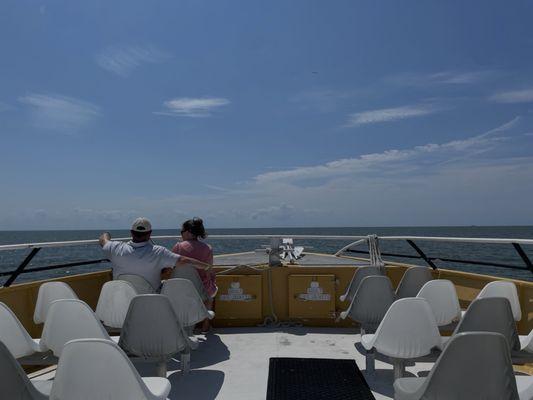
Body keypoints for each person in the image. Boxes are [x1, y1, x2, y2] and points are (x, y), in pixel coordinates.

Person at [99, 217, 211, 292]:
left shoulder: (115, 248)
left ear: (131, 232)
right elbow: (184, 260)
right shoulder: (159, 252)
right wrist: (206, 266)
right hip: (150, 299)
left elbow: (103, 241)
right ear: (150, 234)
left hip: (122, 299)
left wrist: (106, 234)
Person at [172, 217, 216, 332]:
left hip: (181, 289)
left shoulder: (178, 247)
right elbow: (209, 270)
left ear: (187, 232)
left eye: (182, 231)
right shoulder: (208, 248)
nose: (181, 234)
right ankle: (205, 325)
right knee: (210, 293)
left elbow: (172, 268)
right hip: (200, 290)